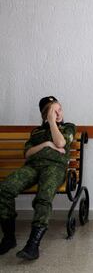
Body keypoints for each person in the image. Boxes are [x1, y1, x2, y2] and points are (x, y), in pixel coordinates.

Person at [0, 96, 75, 260]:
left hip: (55, 168)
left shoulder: (68, 127)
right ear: (45, 114)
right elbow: (27, 154)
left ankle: (33, 245)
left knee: (44, 196)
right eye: (53, 111)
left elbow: (61, 143)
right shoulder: (36, 132)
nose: (58, 113)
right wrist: (47, 145)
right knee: (4, 189)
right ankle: (8, 238)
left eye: (59, 109)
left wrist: (53, 123)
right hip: (32, 167)